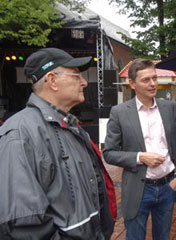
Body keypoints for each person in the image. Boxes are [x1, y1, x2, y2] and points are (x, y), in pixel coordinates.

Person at [0, 48, 116, 239]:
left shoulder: (69, 126)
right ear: (52, 80)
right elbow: (22, 226)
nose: (85, 82)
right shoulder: (20, 134)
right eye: (77, 75)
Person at [103, 58, 176, 240]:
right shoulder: (120, 112)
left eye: (154, 78)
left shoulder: (169, 108)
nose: (153, 83)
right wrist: (140, 157)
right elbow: (109, 153)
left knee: (162, 236)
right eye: (146, 80)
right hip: (138, 188)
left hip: (167, 187)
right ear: (132, 83)